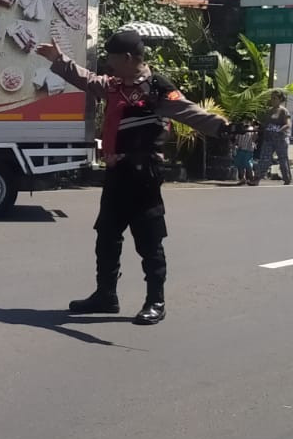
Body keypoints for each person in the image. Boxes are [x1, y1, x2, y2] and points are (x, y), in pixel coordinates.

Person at [36, 28, 231, 325]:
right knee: (106, 236)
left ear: (128, 58)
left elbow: (190, 112)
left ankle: (155, 301)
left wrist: (225, 127)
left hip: (144, 176)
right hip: (117, 174)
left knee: (149, 241)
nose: (108, 63)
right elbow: (85, 78)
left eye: (112, 58)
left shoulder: (157, 89)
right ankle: (105, 296)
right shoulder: (113, 86)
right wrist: (58, 59)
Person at [255, 90, 292, 185]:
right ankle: (257, 179)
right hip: (269, 138)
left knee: (282, 159)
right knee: (264, 158)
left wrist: (280, 130)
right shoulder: (269, 111)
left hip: (280, 139)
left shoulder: (283, 111)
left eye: (275, 98)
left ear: (280, 99)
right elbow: (265, 124)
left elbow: (288, 124)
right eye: (271, 98)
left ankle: (287, 179)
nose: (272, 100)